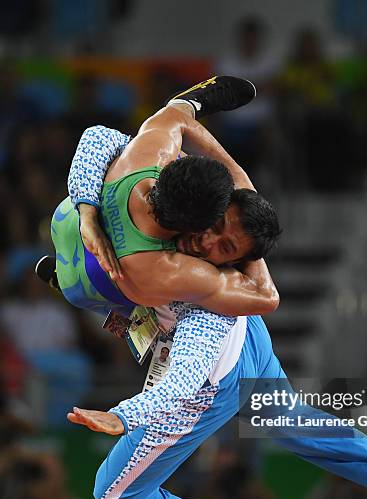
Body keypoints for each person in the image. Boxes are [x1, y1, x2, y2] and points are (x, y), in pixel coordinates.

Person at [64, 114, 367, 499]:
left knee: (116, 494)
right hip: (248, 344)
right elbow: (134, 129)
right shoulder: (177, 196)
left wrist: (124, 414)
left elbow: (188, 375)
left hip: (210, 373)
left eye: (225, 249)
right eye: (216, 225)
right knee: (303, 426)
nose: (206, 241)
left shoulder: (201, 281)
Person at [45, 76, 281, 319]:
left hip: (64, 219)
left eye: (223, 243)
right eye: (215, 225)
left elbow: (174, 119)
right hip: (86, 286)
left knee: (166, 131)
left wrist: (244, 192)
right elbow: (266, 296)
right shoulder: (166, 270)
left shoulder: (144, 159)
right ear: (195, 224)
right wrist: (250, 242)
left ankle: (190, 103)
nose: (207, 240)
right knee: (190, 306)